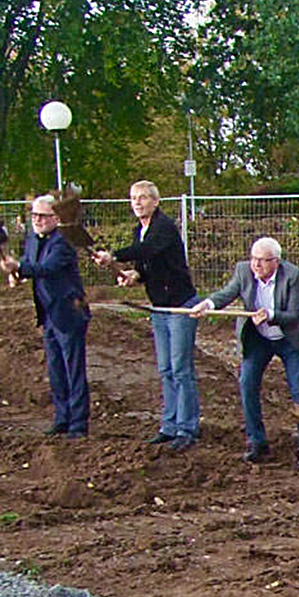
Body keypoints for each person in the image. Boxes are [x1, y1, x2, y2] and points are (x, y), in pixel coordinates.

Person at [193, 237, 299, 470]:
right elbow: (227, 293)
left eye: (262, 260)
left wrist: (270, 314)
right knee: (247, 384)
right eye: (253, 259)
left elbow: (292, 313)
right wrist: (208, 305)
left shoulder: (291, 275)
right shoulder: (243, 271)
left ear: (276, 261)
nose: (256, 265)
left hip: (289, 339)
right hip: (259, 339)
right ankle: (256, 441)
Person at [93, 181, 200, 452]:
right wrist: (134, 275)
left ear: (156, 201)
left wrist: (114, 255)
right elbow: (145, 264)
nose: (137, 202)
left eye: (143, 198)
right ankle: (169, 425)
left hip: (180, 306)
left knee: (180, 369)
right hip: (159, 307)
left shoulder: (163, 228)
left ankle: (187, 428)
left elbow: (149, 250)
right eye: (133, 198)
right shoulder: (138, 231)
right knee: (165, 369)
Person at [2, 193, 90, 439]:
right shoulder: (32, 238)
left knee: (74, 370)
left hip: (69, 312)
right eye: (34, 215)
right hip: (47, 312)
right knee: (55, 369)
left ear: (56, 217)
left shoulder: (64, 241)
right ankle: (62, 419)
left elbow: (46, 268)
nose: (37, 220)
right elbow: (29, 263)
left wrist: (19, 268)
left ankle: (78, 423)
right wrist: (17, 273)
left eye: (43, 215)